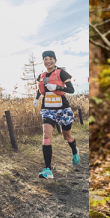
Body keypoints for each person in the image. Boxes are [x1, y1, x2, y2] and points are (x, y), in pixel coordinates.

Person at [35, 50, 80, 179]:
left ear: (55, 60)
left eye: (50, 59)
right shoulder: (41, 75)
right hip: (48, 109)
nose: (48, 61)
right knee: (46, 136)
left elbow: (71, 89)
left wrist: (57, 88)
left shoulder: (62, 73)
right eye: (45, 59)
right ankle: (48, 169)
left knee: (67, 136)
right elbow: (40, 89)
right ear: (43, 61)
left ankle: (74, 150)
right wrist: (37, 98)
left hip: (63, 109)